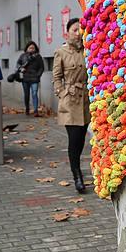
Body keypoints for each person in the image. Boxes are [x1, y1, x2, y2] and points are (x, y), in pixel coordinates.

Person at [53, 18, 90, 194]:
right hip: (70, 101)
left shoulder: (88, 49)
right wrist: (62, 93)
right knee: (74, 140)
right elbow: (56, 76)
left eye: (80, 29)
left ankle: (79, 172)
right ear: (67, 32)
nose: (79, 33)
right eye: (75, 30)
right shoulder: (61, 52)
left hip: (86, 100)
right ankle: (77, 176)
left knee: (82, 139)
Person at [16, 41, 45, 116]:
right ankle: (27, 109)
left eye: (33, 48)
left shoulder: (38, 56)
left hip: (34, 78)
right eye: (30, 48)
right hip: (25, 78)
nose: (32, 49)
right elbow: (18, 64)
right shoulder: (22, 56)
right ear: (27, 48)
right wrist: (21, 69)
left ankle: (35, 111)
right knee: (26, 94)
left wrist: (38, 75)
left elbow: (41, 67)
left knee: (34, 93)